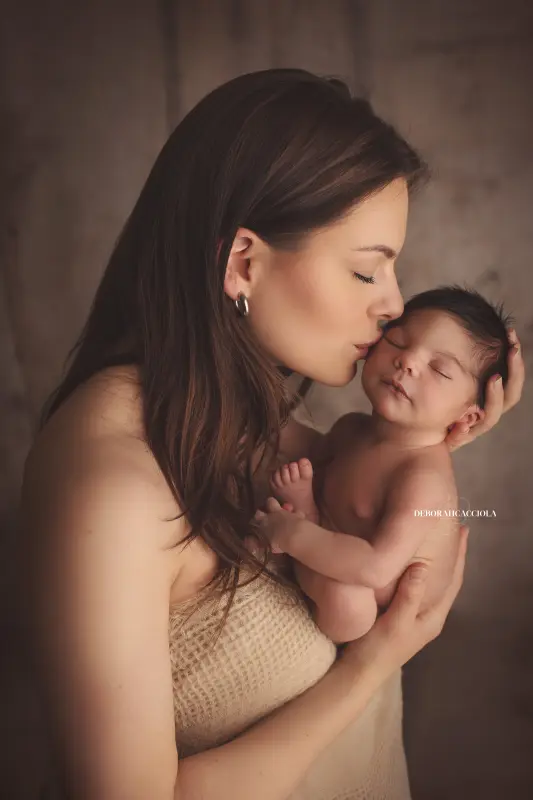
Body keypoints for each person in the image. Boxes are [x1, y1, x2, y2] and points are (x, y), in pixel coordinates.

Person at [17, 69, 524, 800]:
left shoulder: (232, 415)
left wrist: (437, 432)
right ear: (244, 262)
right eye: (364, 272)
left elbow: (366, 487)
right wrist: (372, 664)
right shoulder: (112, 493)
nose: (391, 308)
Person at [256, 286, 513, 644]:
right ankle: (308, 520)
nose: (408, 362)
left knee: (349, 603)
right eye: (397, 342)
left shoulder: (423, 480)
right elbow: (313, 456)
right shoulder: (353, 428)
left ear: (468, 418)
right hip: (336, 541)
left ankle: (305, 526)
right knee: (284, 448)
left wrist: (294, 533)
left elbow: (377, 568)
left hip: (370, 607)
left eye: (439, 370)